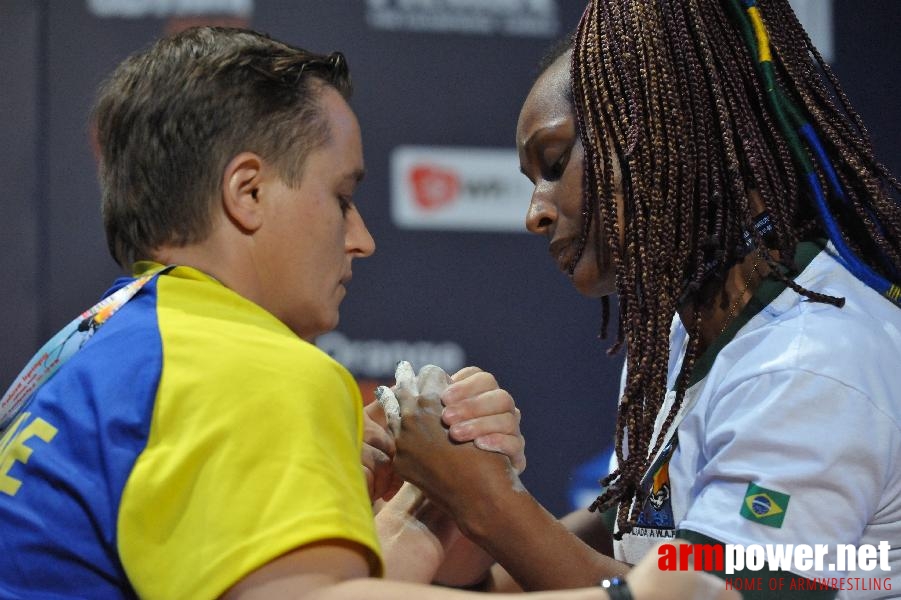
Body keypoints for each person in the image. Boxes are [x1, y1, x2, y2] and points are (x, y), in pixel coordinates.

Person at [0, 25, 735, 600]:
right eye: (342, 198)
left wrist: (432, 504)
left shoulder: (100, 339)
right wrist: (627, 598)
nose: (362, 239)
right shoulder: (254, 368)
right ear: (248, 193)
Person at [386, 0, 901, 598]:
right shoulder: (689, 327)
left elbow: (708, 591)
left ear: (663, 134)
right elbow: (631, 531)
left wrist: (489, 502)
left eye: (554, 164)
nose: (536, 213)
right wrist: (459, 509)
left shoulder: (811, 362)